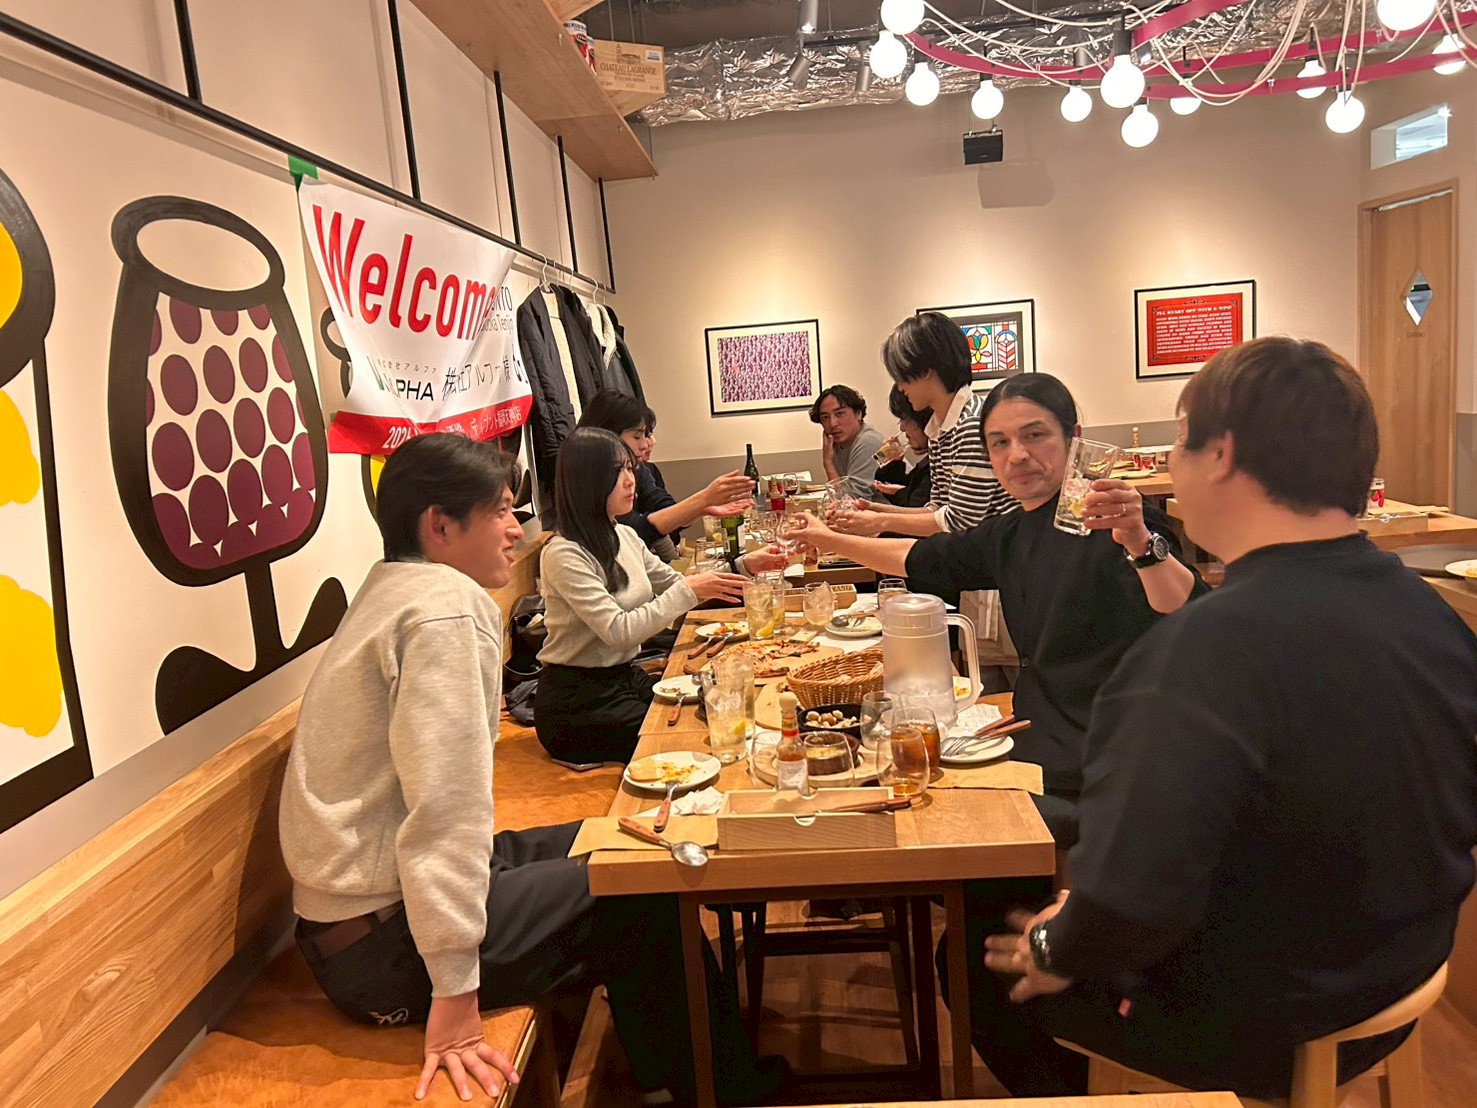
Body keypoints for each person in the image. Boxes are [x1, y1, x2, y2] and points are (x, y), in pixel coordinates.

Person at [970, 338, 1477, 1100]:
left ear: (1222, 457)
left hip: (1264, 1017)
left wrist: (1052, 937)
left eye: (1178, 441)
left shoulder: (1196, 653)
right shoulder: (1426, 610)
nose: (1169, 465)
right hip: (1399, 976)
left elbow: (1124, 907)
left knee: (976, 967)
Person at [277, 432, 781, 1106]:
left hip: (366, 916)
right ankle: (722, 1090)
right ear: (439, 526)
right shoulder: (442, 612)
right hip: (384, 946)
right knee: (643, 889)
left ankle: (666, 1073)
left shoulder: (396, 588)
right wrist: (454, 993)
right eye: (500, 511)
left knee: (625, 840)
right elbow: (445, 811)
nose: (518, 529)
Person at [790, 372, 1205, 843]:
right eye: (1000, 442)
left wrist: (1140, 543)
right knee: (883, 786)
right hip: (1040, 740)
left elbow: (1190, 614)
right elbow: (919, 556)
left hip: (1110, 769)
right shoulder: (1012, 532)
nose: (1017, 455)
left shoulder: (1118, 521)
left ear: (1074, 439)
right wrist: (827, 538)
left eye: (1035, 435)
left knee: (924, 826)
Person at [536, 427, 786, 765]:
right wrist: (688, 590)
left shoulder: (623, 534)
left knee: (719, 705)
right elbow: (619, 631)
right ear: (586, 482)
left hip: (624, 677)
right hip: (578, 703)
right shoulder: (564, 553)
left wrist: (743, 565)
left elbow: (675, 583)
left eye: (629, 468)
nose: (630, 480)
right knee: (689, 738)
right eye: (616, 472)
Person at [834, 313, 1017, 538]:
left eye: (902, 376)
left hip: (995, 554)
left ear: (927, 370)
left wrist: (879, 521)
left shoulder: (971, 425)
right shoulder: (938, 429)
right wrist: (872, 510)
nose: (900, 387)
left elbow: (959, 522)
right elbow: (936, 509)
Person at [579, 390, 751, 561]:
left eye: (647, 435)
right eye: (638, 436)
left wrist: (702, 507)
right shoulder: (588, 481)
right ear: (607, 436)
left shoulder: (639, 468)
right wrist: (702, 501)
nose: (647, 444)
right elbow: (636, 529)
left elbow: (663, 508)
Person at [810, 384, 884, 498]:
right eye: (825, 417)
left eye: (839, 414)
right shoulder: (836, 444)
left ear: (858, 414)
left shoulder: (868, 442)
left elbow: (851, 500)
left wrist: (828, 463)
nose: (832, 423)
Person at [872, 385, 932, 508]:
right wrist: (894, 463)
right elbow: (909, 486)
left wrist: (899, 493)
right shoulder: (931, 458)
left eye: (905, 419)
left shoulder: (943, 456)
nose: (902, 428)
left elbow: (918, 506)